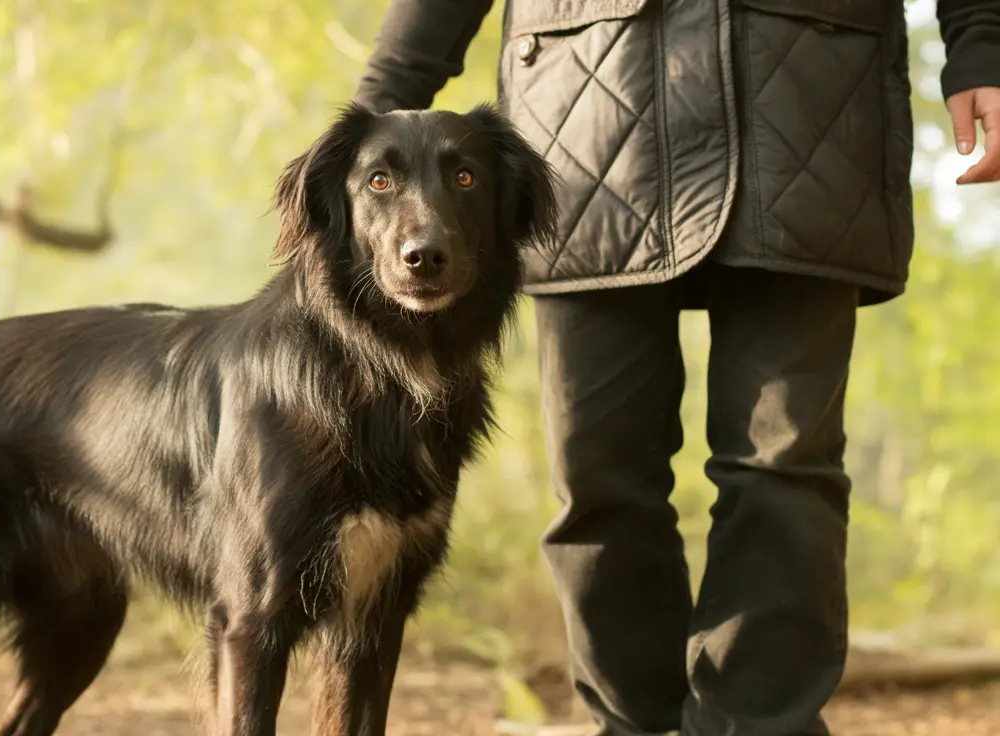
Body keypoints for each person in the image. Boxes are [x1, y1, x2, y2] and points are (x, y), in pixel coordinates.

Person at [350, 1, 1000, 734]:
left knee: (785, 470)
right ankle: (636, 725)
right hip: (585, 123)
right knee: (600, 474)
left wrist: (982, 44)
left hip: (806, 105)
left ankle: (763, 725)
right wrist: (380, 101)